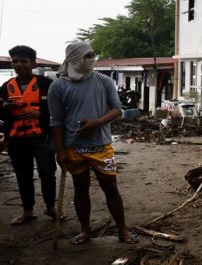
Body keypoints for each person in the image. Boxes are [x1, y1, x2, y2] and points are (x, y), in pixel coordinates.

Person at [48, 41, 137, 245]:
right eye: (86, 56)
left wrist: (97, 122)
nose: (91, 60)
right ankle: (85, 229)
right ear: (73, 58)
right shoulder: (58, 86)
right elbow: (56, 122)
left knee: (111, 188)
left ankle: (122, 229)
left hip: (101, 146)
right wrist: (60, 151)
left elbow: (117, 109)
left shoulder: (104, 82)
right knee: (81, 188)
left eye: (92, 56)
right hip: (73, 148)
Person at [0, 45, 60, 225]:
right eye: (15, 61)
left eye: (23, 61)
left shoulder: (46, 84)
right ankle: (28, 211)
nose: (18, 65)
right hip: (17, 139)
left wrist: (40, 113)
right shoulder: (6, 87)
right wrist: (5, 108)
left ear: (33, 63)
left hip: (42, 137)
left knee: (47, 172)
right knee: (22, 175)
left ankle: (51, 208)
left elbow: (58, 109)